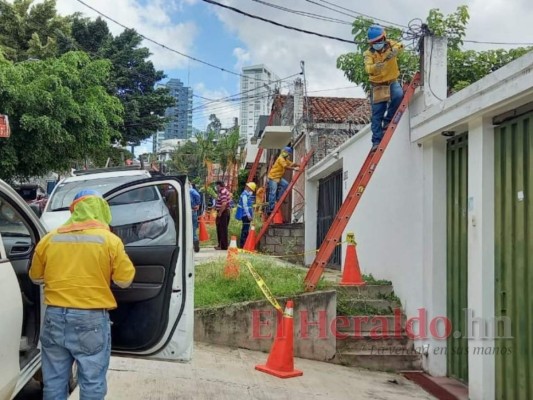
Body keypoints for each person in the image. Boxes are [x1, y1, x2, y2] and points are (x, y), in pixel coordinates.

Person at [29, 189, 135, 400]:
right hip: (91, 320)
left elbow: (35, 277)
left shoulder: (50, 239)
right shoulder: (110, 241)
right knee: (92, 384)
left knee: (53, 383)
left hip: (54, 319)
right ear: (101, 210)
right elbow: (125, 280)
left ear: (74, 210)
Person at [364, 24, 404, 152]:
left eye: (379, 41)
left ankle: (388, 120)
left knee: (398, 96)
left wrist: (396, 50)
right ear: (371, 43)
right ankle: (376, 141)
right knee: (377, 114)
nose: (377, 44)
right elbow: (368, 68)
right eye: (374, 42)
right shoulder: (369, 54)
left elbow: (400, 45)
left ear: (384, 37)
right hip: (378, 86)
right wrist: (376, 67)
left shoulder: (391, 44)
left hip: (391, 81)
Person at [267, 146, 299, 214]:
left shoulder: (285, 159)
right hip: (273, 177)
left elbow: (291, 164)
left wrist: (299, 165)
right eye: (288, 153)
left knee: (286, 184)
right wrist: (294, 169)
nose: (288, 155)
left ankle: (279, 198)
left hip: (278, 177)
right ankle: (271, 207)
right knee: (273, 192)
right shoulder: (281, 159)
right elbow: (285, 166)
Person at [235, 182, 257, 248]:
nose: (252, 191)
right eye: (251, 190)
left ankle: (245, 245)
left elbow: (249, 206)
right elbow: (245, 206)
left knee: (245, 230)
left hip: (246, 215)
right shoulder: (244, 195)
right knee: (245, 231)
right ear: (249, 188)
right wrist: (249, 216)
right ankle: (243, 245)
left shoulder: (247, 195)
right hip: (246, 216)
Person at [214, 181, 231, 250]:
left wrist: (220, 212)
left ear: (219, 186)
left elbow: (224, 203)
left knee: (222, 229)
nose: (216, 187)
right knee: (220, 228)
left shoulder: (223, 192)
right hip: (223, 211)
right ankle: (221, 245)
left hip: (223, 212)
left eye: (216, 186)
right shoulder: (223, 191)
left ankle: (223, 246)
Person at [189, 183, 201, 253]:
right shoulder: (192, 190)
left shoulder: (181, 190)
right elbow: (197, 195)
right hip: (193, 210)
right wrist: (198, 204)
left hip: (184, 212)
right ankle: (195, 241)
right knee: (193, 228)